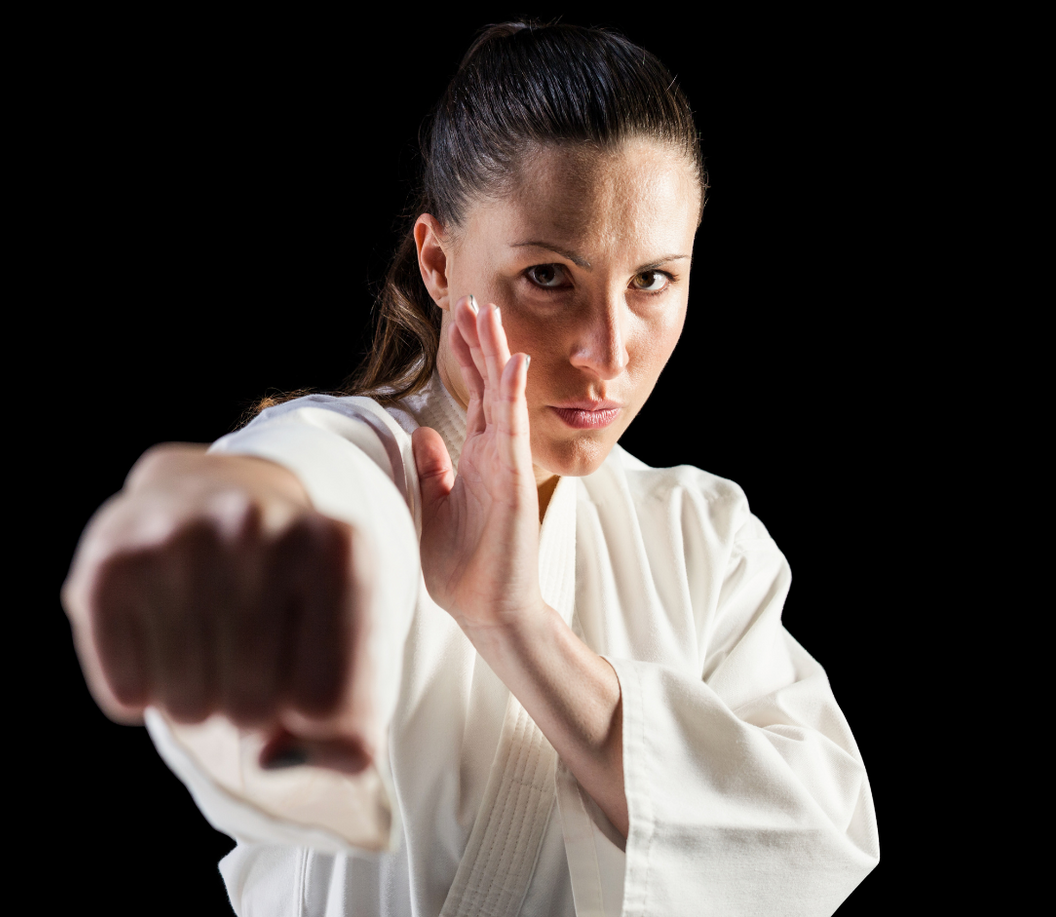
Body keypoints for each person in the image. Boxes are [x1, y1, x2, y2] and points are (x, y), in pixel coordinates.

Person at [62, 21, 879, 916]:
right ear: (439, 262)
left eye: (651, 280)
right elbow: (289, 496)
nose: (606, 352)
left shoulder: (700, 538)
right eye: (548, 277)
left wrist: (516, 626)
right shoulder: (363, 462)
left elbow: (812, 843)